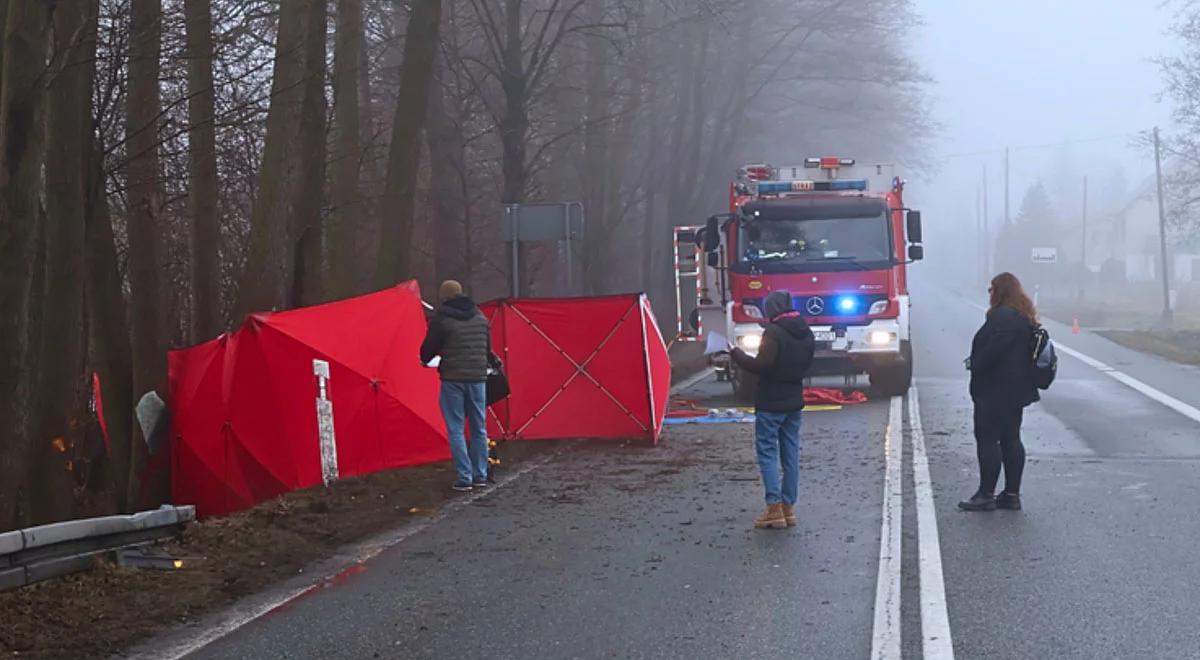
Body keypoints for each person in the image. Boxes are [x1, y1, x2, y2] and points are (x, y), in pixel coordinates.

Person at [730, 290, 816, 529]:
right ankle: (789, 509)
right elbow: (808, 365)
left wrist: (734, 353)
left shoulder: (774, 333)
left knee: (767, 453)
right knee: (790, 455)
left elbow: (762, 365)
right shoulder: (806, 332)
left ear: (772, 309)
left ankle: (774, 508)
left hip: (770, 402)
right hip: (794, 401)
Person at [960, 272, 1040, 512]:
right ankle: (1011, 494)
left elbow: (994, 352)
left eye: (992, 289)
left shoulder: (1002, 317)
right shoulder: (1023, 317)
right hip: (1016, 390)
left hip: (995, 390)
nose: (989, 293)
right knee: (1011, 439)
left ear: (1000, 291)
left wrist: (976, 362)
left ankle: (986, 494)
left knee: (988, 440)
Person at [420, 280, 492, 492]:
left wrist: (429, 359)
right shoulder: (480, 317)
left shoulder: (443, 320)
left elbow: (427, 352)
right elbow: (487, 349)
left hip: (453, 379)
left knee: (456, 428)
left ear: (444, 297)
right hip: (478, 378)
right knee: (479, 428)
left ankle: (464, 477)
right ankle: (481, 475)